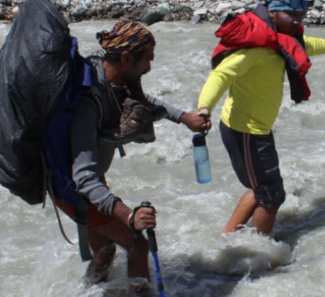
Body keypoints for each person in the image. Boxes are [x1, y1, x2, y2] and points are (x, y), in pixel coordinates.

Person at [55, 19, 210, 289]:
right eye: (147, 60)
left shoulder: (113, 80)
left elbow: (145, 103)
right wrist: (129, 216)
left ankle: (86, 290)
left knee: (106, 250)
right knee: (138, 242)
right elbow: (84, 177)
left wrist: (184, 117)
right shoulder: (88, 101)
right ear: (126, 57)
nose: (149, 68)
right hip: (73, 189)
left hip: (82, 186)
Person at [196, 0, 325, 235]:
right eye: (290, 15)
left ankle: (228, 239)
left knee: (261, 189)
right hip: (245, 130)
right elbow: (221, 74)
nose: (296, 21)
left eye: (300, 16)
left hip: (256, 128)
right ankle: (253, 256)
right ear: (272, 13)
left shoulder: (278, 39)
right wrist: (204, 108)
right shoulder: (256, 47)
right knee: (271, 196)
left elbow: (305, 45)